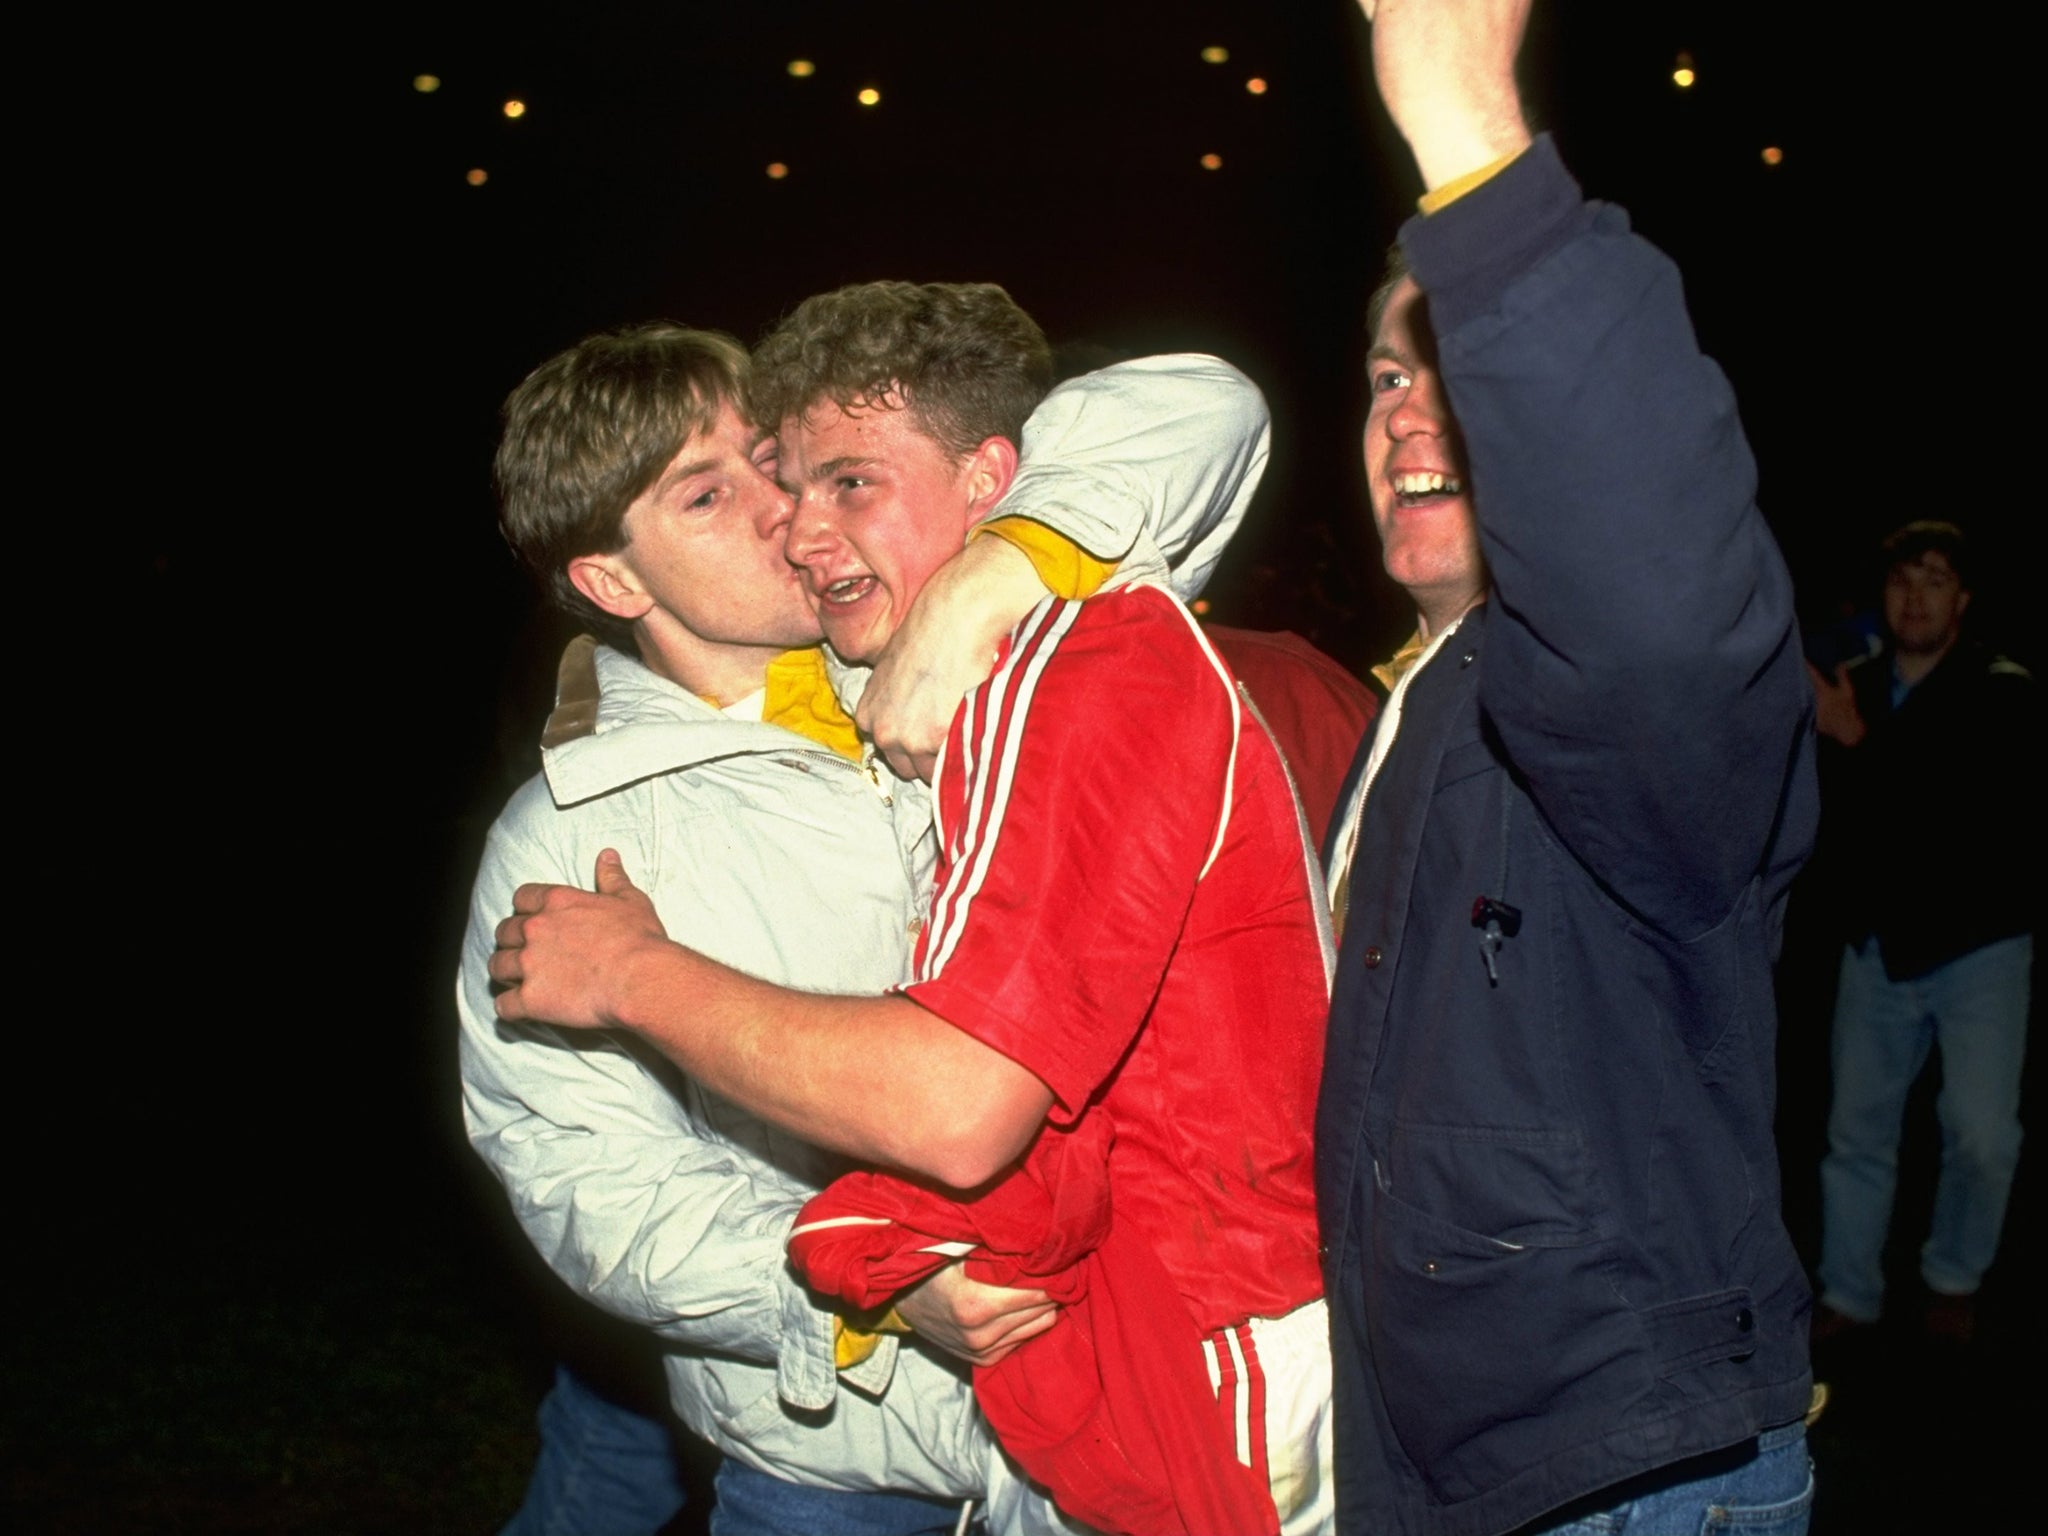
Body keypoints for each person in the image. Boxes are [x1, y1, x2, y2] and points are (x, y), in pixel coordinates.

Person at [489, 280, 1338, 1535]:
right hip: (838, 1451)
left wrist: (1001, 564)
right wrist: (858, 1295)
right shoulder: (575, 828)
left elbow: (1202, 402)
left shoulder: (964, 645)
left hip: (1085, 1410)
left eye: (777, 466)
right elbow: (585, 1179)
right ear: (613, 580)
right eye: (710, 494)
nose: (783, 516)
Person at [1314, 4, 1819, 1534]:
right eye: (1381, 376)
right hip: (1454, 1460)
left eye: (1450, 358)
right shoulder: (1409, 704)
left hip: (1623, 1476)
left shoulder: (1615, 698)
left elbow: (1652, 599)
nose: (1410, 403)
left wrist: (1467, 127)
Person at [1809, 521, 2038, 1345]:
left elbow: (1950, 815)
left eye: (1936, 579)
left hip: (1980, 949)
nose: (1916, 595)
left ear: (1964, 600)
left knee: (1982, 1135)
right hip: (1875, 949)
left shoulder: (2003, 689)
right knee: (1855, 1132)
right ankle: (1849, 1292)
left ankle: (1953, 1276)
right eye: (1904, 577)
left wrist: (1856, 743)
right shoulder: (1852, 681)